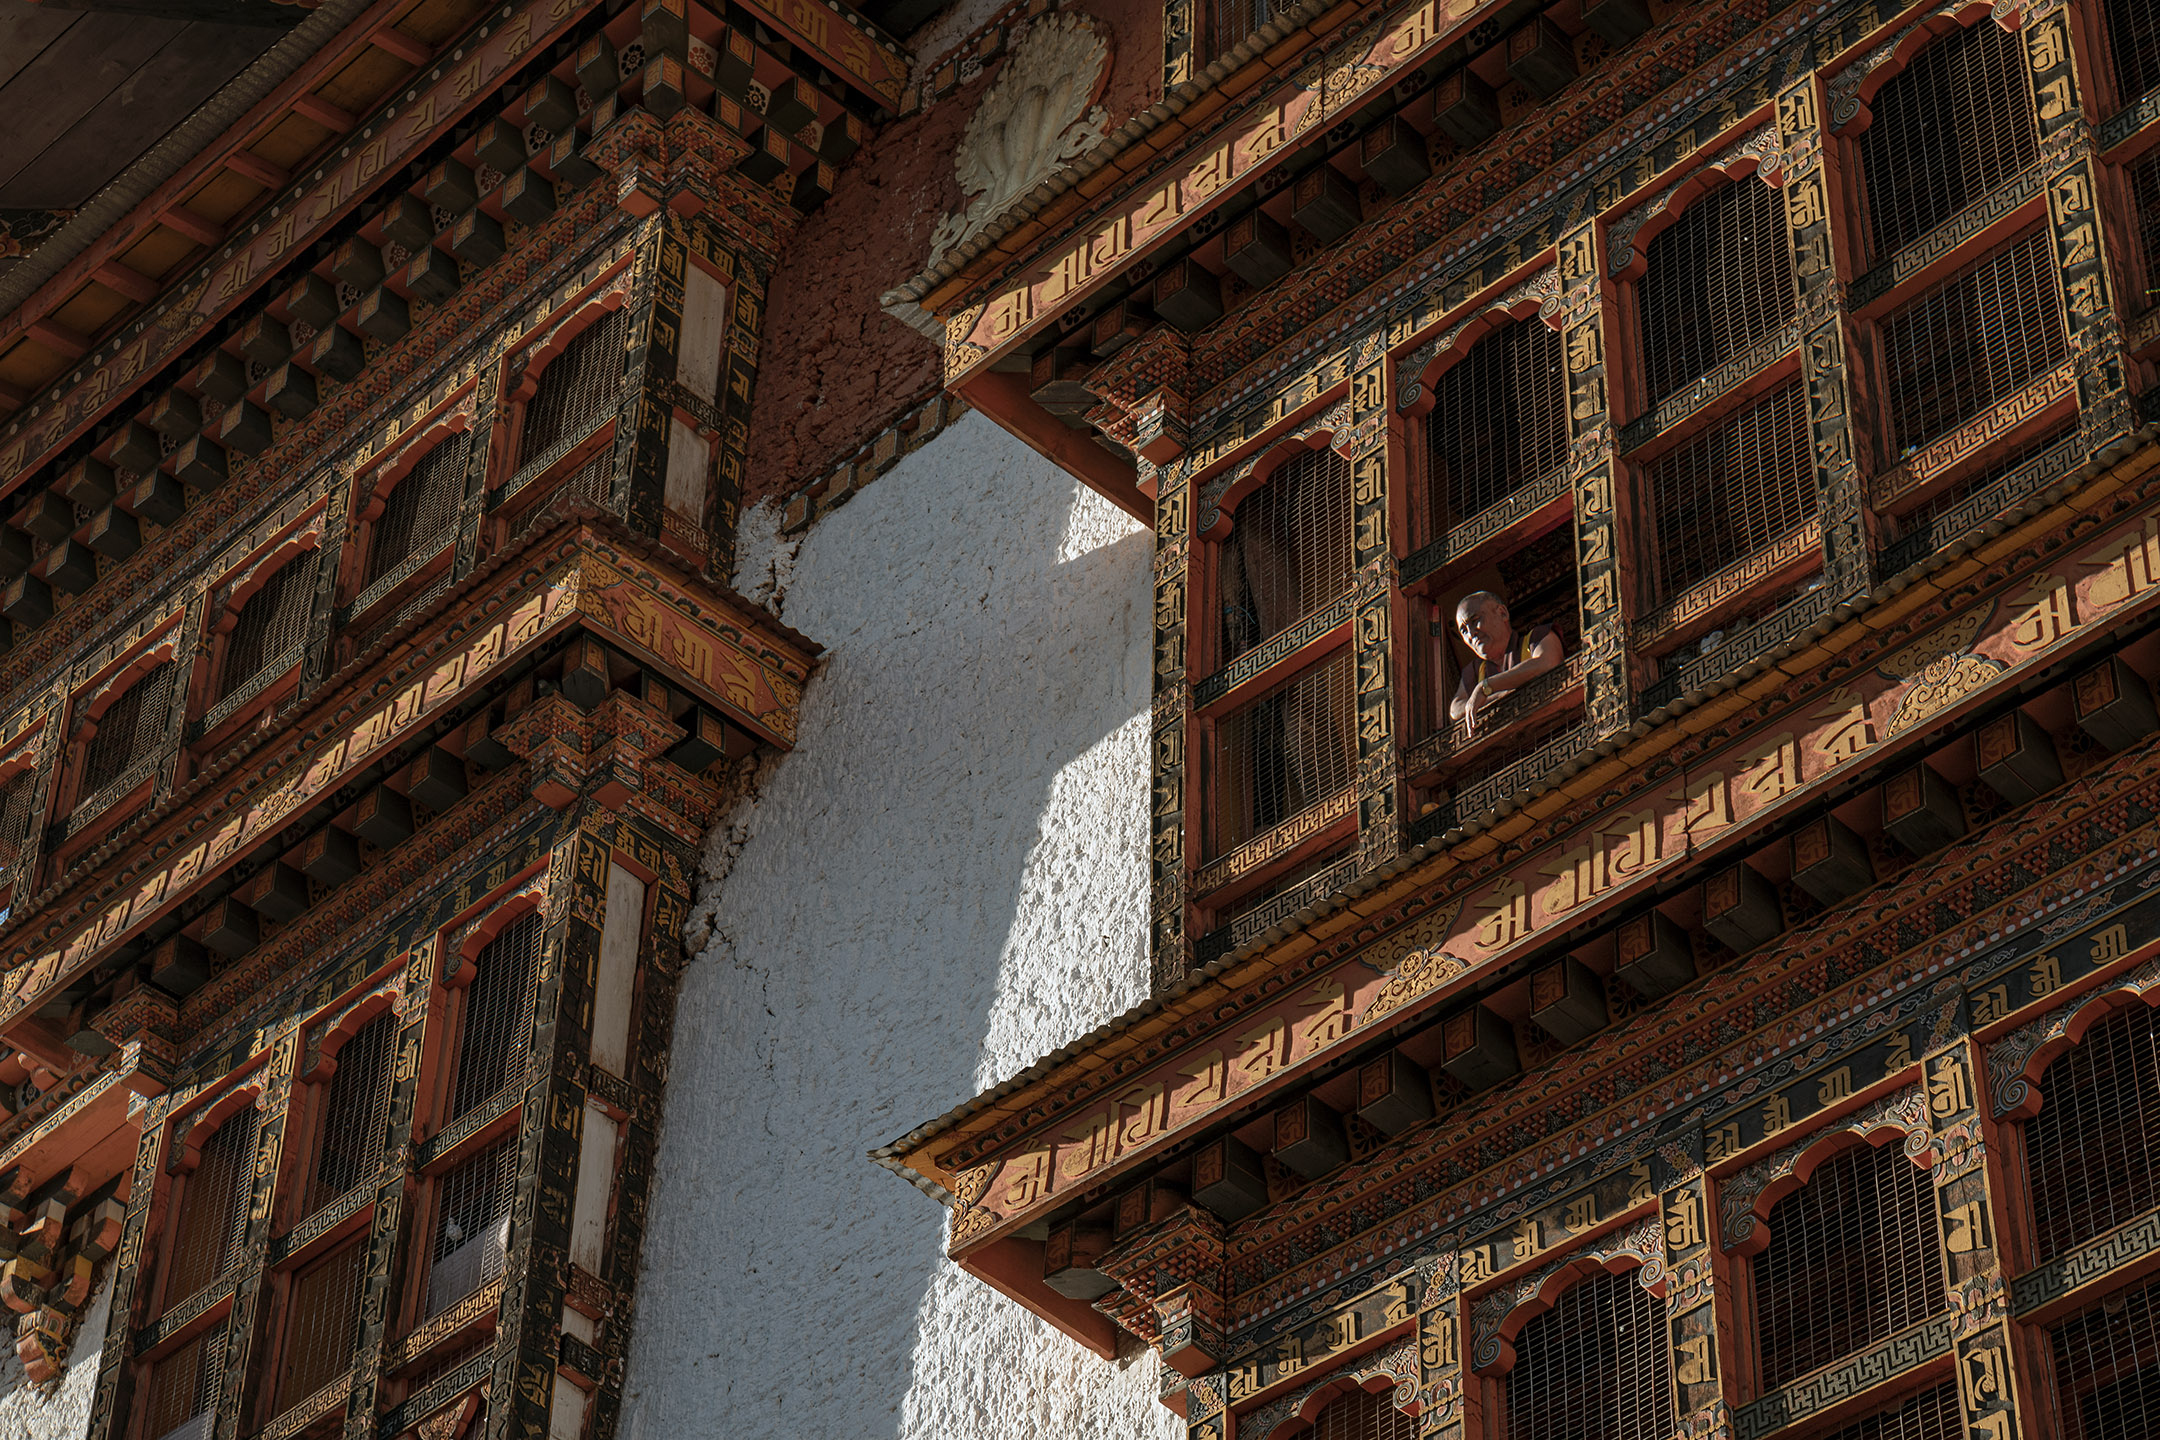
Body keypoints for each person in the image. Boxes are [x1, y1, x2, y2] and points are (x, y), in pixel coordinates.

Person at [1448, 590, 1563, 737]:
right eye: (1464, 630)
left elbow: (1547, 663)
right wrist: (1496, 696)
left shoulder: (1536, 638)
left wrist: (1486, 688)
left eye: (1475, 620)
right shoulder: (1476, 670)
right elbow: (1455, 710)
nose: (1471, 634)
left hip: (1552, 728)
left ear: (1502, 613)